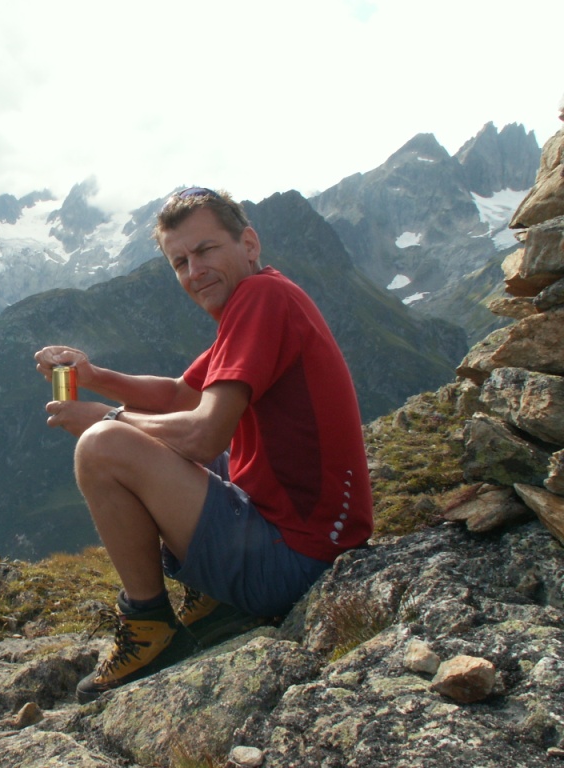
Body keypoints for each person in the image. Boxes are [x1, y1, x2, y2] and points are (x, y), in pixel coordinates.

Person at [34, 187, 373, 703]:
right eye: (180, 262)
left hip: (298, 561)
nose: (195, 271)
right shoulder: (264, 296)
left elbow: (203, 433)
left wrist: (106, 417)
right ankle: (214, 602)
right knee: (152, 432)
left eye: (206, 250)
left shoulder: (261, 299)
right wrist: (94, 374)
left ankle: (148, 625)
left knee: (102, 446)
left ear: (249, 244)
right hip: (313, 540)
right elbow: (178, 395)